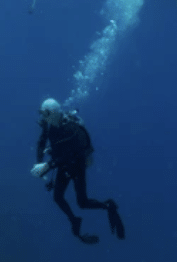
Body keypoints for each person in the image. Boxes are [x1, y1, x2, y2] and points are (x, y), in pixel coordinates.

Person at [30, 98, 125, 244]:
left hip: (76, 165)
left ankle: (108, 206)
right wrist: (39, 163)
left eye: (46, 113)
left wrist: (48, 165)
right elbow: (42, 143)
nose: (44, 117)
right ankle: (74, 220)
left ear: (55, 113)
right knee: (58, 198)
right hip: (61, 164)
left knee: (83, 202)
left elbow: (71, 154)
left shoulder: (70, 128)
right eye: (42, 113)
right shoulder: (50, 126)